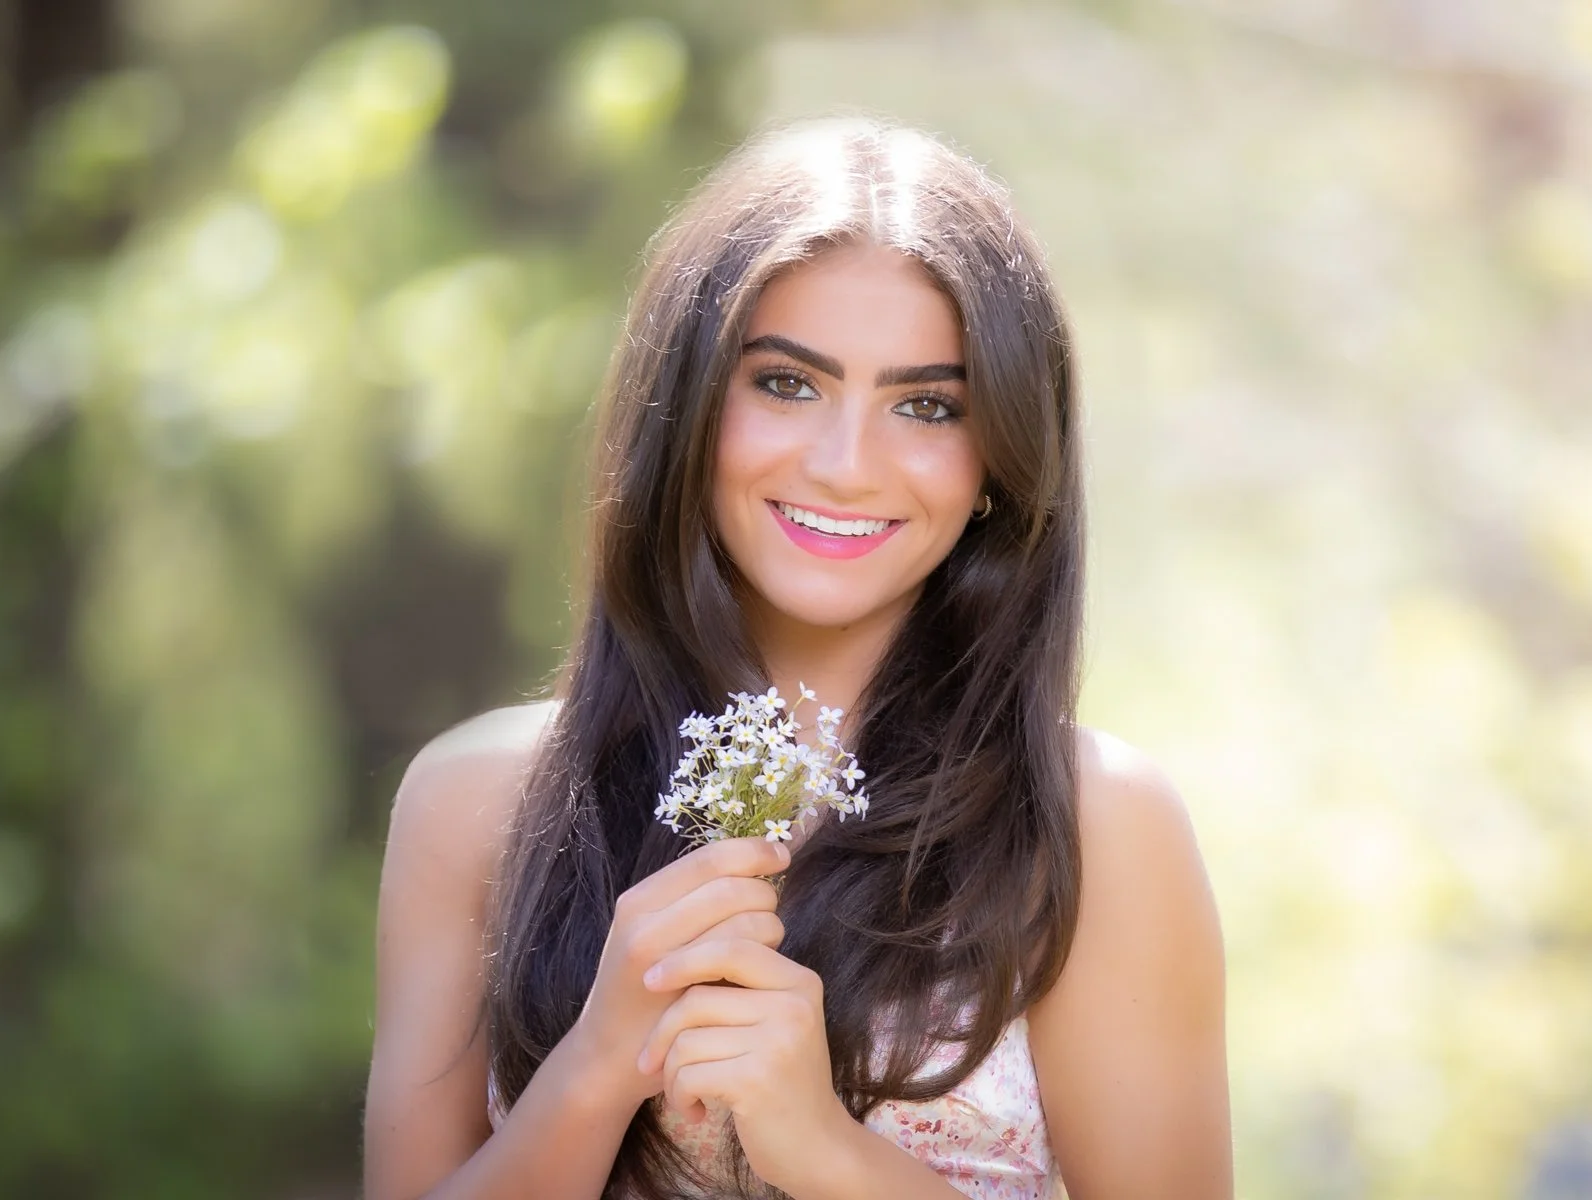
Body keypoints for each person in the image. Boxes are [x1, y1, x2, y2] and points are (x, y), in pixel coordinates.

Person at [362, 116, 1231, 1200]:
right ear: (684, 408)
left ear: (1001, 459)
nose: (845, 465)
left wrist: (820, 1143)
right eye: (787, 384)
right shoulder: (475, 804)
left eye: (926, 405)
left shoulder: (1095, 826)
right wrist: (597, 1065)